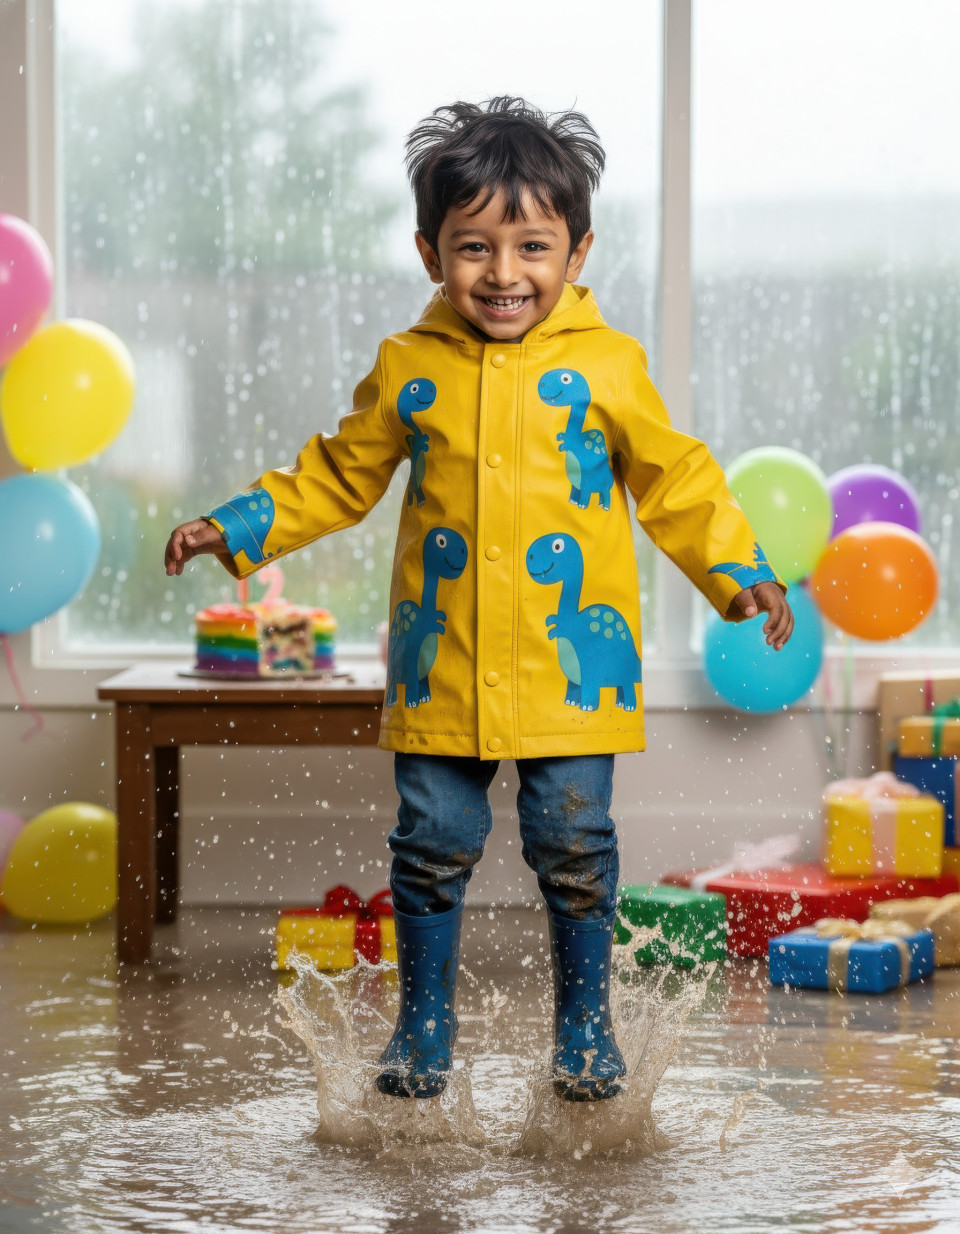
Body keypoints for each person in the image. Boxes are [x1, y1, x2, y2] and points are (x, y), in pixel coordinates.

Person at [164, 97, 794, 1103]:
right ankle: (422, 1027)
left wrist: (740, 569)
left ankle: (585, 1027)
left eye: (533, 246)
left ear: (578, 251)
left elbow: (676, 478)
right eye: (474, 248)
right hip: (442, 663)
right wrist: (232, 527)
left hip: (568, 677)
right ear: (429, 252)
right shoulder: (411, 368)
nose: (504, 274)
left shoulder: (606, 365)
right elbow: (336, 474)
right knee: (428, 844)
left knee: (575, 844)